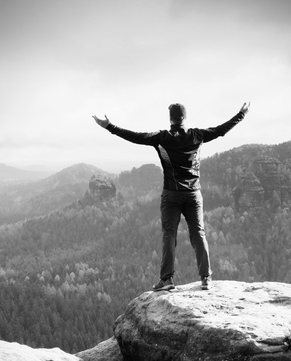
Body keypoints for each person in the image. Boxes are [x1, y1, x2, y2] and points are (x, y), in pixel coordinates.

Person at [92, 101, 250, 291]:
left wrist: (109, 126)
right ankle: (206, 278)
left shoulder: (162, 138)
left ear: (170, 119)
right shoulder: (197, 135)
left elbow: (136, 137)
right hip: (193, 194)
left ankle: (167, 280)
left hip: (172, 194)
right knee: (198, 233)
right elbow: (221, 130)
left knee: (169, 235)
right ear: (185, 117)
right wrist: (241, 114)